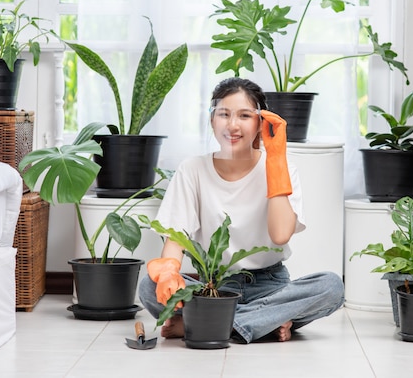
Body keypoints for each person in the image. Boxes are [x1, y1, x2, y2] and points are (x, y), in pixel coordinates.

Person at [139, 77, 344, 343]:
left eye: (245, 116)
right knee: (148, 285)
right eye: (224, 114)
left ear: (260, 124)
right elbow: (175, 238)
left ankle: (204, 323)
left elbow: (281, 234)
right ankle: (263, 323)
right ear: (212, 120)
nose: (233, 125)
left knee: (331, 286)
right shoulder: (192, 170)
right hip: (213, 288)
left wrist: (276, 159)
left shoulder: (282, 168)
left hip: (271, 287)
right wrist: (167, 272)